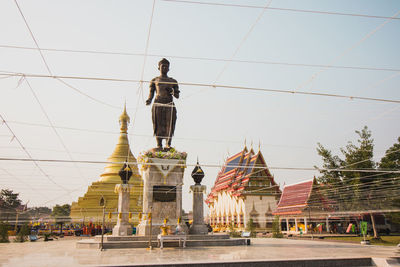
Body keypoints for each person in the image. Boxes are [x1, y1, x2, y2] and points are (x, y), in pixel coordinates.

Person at [146, 58, 180, 150]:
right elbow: (151, 93)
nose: (164, 68)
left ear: (168, 69)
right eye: (162, 66)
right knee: (158, 123)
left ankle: (168, 143)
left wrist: (172, 91)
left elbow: (177, 95)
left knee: (170, 124)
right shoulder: (155, 80)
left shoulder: (173, 81)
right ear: (159, 68)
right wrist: (149, 99)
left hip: (169, 104)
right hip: (158, 103)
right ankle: (159, 144)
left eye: (166, 66)